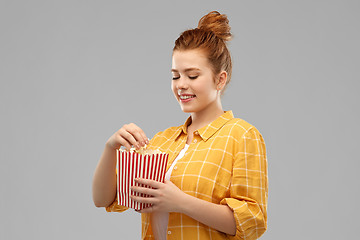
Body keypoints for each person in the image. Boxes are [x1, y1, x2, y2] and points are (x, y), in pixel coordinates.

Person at [92, 11, 268, 240]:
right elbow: (103, 199)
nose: (181, 85)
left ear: (220, 79)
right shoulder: (161, 141)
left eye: (192, 76)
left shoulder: (242, 135)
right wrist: (111, 147)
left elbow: (253, 221)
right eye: (176, 76)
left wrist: (180, 202)